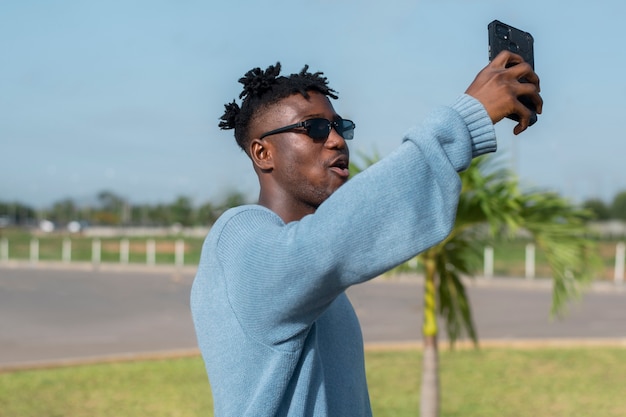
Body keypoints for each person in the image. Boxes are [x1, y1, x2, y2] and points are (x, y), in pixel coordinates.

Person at [190, 51, 542, 417]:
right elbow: (322, 248)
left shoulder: (314, 283)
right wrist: (466, 121)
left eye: (340, 127)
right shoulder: (237, 240)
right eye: (313, 128)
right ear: (263, 153)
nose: (337, 141)